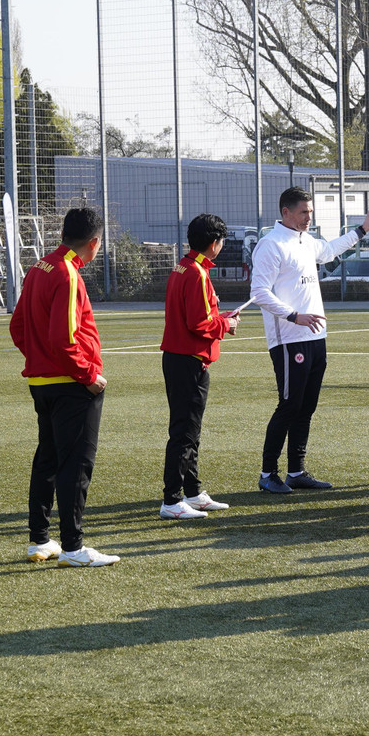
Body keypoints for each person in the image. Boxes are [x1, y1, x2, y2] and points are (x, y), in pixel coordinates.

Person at [8, 207, 118, 568]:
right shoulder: (68, 274)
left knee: (48, 459)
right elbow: (64, 338)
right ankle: (73, 547)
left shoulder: (40, 267)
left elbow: (18, 327)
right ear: (95, 242)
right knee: (76, 464)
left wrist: (38, 358)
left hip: (42, 382)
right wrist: (88, 375)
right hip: (70, 384)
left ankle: (40, 539)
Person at [252, 187, 369, 493]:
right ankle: (268, 473)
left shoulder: (306, 240)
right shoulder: (271, 245)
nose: (309, 217)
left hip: (315, 336)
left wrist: (362, 230)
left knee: (306, 407)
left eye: (310, 212)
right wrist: (293, 316)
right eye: (303, 212)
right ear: (286, 212)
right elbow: (258, 292)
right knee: (289, 405)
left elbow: (330, 250)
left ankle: (296, 471)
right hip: (289, 339)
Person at [158, 213, 240, 520]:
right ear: (215, 243)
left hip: (182, 358)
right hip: (188, 360)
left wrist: (220, 318)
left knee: (190, 430)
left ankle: (192, 492)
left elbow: (196, 316)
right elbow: (199, 323)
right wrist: (226, 324)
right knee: (184, 432)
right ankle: (171, 499)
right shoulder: (196, 272)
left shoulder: (184, 266)